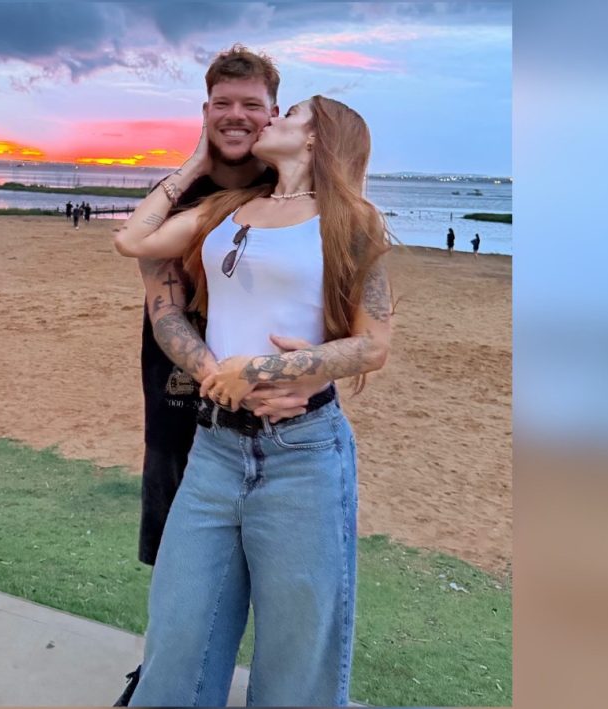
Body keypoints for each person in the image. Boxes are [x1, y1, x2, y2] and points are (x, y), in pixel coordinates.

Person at [113, 94, 391, 707]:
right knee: (179, 631)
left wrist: (266, 369)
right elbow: (135, 239)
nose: (272, 119)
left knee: (297, 651)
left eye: (290, 115)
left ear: (318, 138)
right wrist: (196, 160)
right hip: (213, 446)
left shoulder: (351, 220)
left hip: (303, 453)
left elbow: (373, 345)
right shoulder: (230, 207)